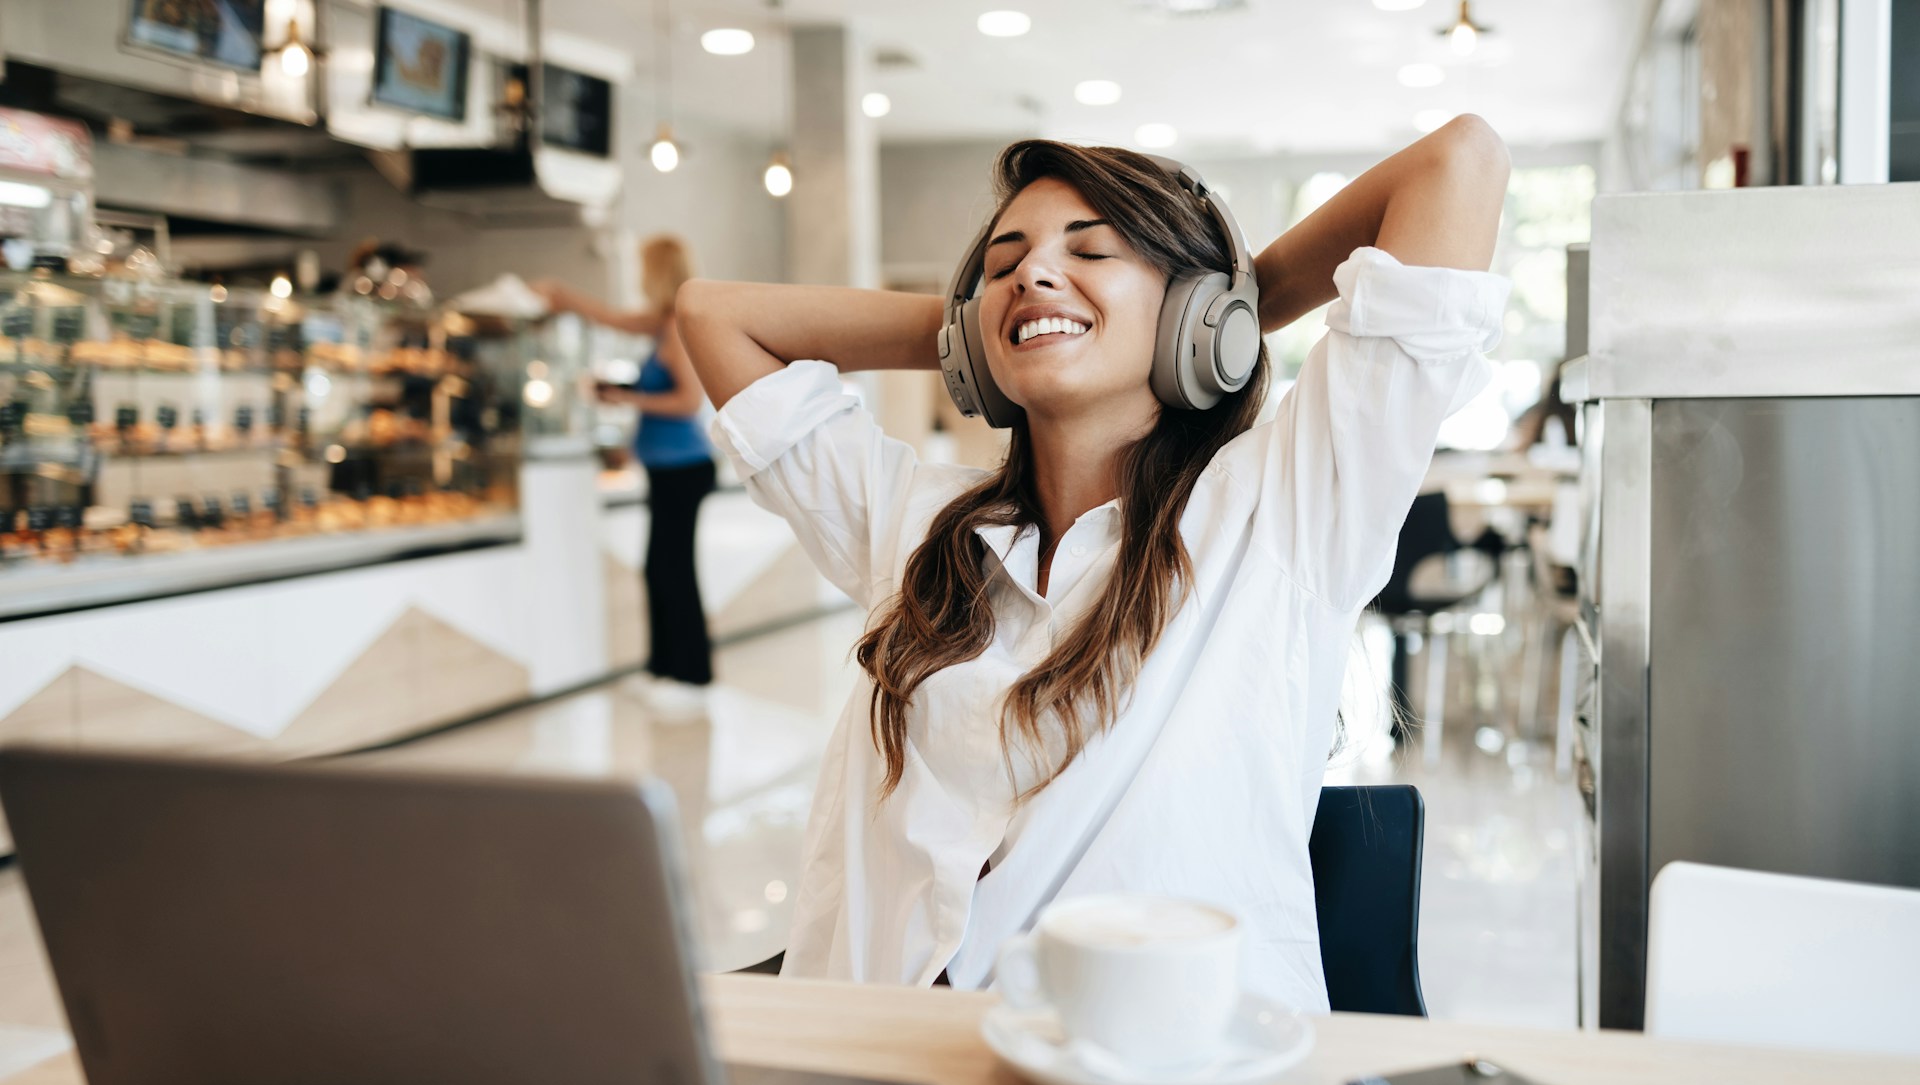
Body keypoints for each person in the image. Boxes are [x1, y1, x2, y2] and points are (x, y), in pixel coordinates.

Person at [679, 119, 1511, 1010]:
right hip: (884, 1067)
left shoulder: (1285, 510)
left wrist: (1229, 310)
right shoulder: (913, 526)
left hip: (1170, 1079)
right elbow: (712, 315)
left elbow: (1458, 163)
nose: (1032, 273)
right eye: (1004, 264)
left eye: (1091, 251)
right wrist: (989, 332)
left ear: (1193, 308)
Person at [538, 237, 716, 695]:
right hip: (666, 468)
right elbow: (611, 318)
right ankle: (663, 669)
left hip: (684, 466)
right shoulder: (660, 324)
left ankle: (691, 674)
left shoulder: (677, 326)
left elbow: (688, 401)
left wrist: (625, 397)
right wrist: (564, 296)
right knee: (660, 568)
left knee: (672, 570)